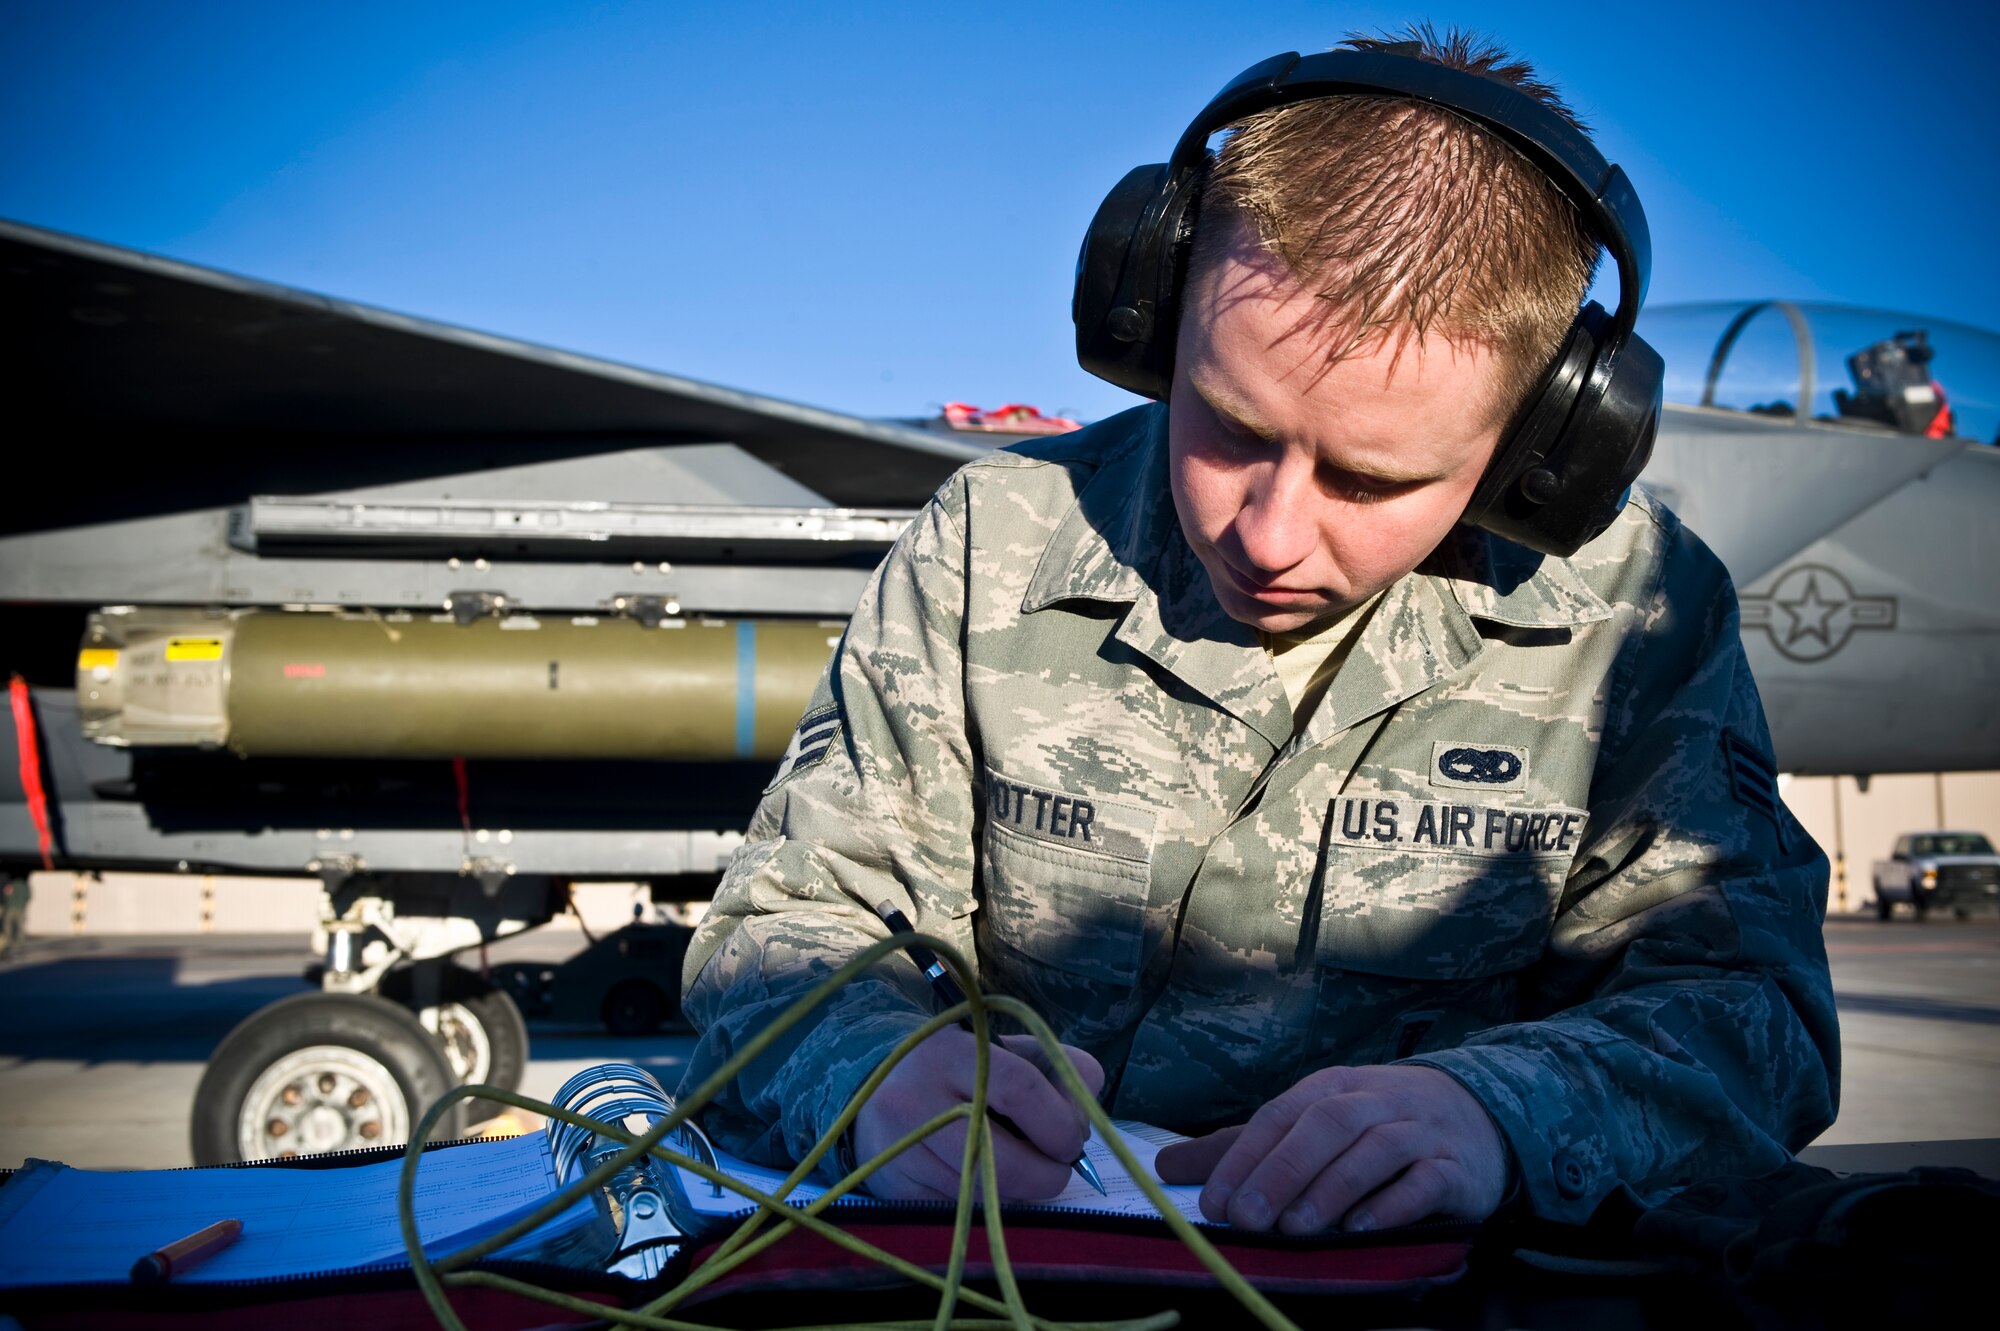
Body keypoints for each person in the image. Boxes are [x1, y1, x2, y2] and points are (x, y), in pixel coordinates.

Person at [680, 28, 1838, 1234]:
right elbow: (786, 925)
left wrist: (1497, 1114)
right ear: (1150, 318)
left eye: (1372, 480)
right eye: (1227, 425)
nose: (1270, 532)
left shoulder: (1634, 615)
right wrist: (870, 1075)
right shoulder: (991, 542)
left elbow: (1749, 1013)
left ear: (1539, 446)